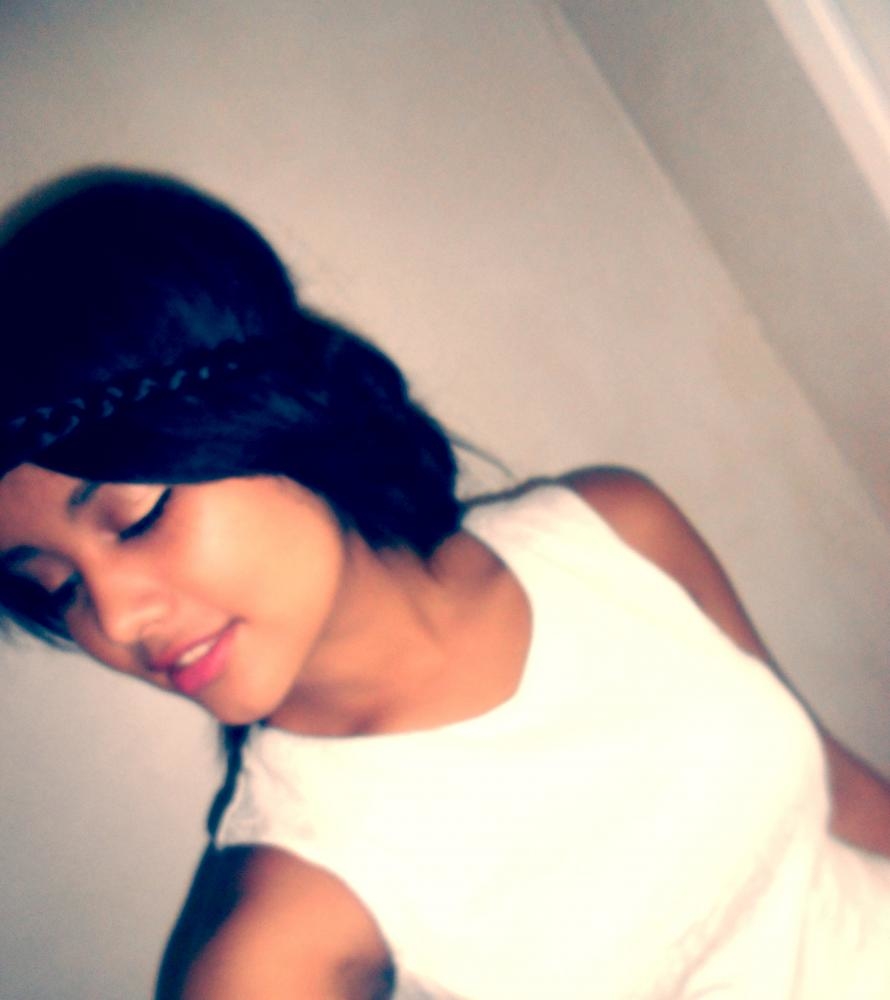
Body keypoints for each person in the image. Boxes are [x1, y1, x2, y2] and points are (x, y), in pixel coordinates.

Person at [0, 168, 888, 1000]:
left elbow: (842, 791)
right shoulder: (283, 929)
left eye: (136, 517)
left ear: (271, 412)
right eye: (55, 587)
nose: (115, 620)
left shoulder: (610, 528)